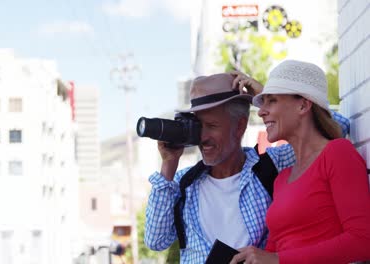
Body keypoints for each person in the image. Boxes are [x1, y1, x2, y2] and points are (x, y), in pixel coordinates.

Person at [144, 72, 350, 263]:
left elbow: (337, 127)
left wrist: (264, 97)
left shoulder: (273, 165)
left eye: (212, 126)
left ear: (240, 126)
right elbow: (156, 241)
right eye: (198, 126)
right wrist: (169, 163)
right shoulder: (183, 182)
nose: (203, 137)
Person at [229, 60, 370, 264]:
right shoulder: (283, 178)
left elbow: (363, 241)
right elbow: (273, 252)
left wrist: (278, 259)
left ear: (303, 105)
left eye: (272, 101)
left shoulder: (338, 154)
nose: (260, 111)